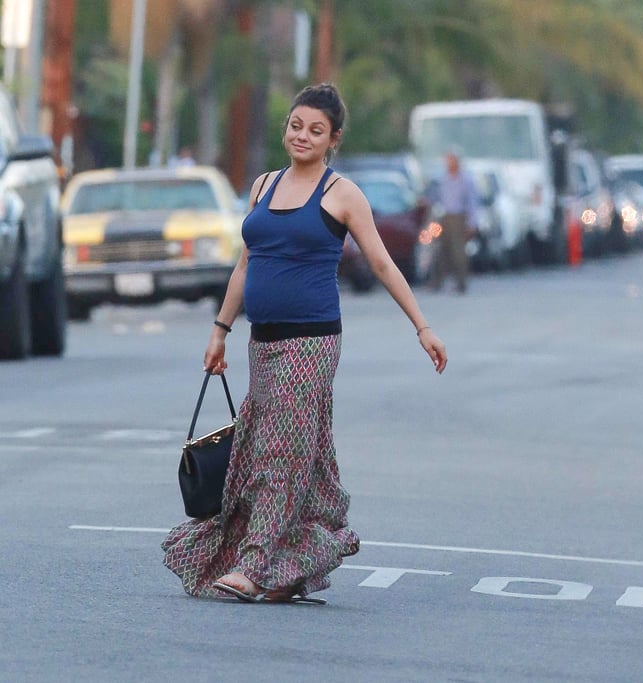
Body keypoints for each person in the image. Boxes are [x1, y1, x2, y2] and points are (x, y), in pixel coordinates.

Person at [162, 83, 448, 604]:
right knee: (280, 453)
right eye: (296, 125)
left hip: (311, 343)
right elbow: (245, 265)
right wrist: (220, 330)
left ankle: (253, 567)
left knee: (281, 453)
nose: (302, 136)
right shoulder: (264, 186)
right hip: (261, 341)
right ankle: (288, 568)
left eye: (315, 130)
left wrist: (422, 326)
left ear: (332, 139)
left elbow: (382, 262)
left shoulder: (341, 194)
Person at [428, 149, 479, 293]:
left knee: (458, 252)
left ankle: (461, 282)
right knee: (440, 250)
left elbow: (472, 202)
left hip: (459, 217)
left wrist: (471, 223)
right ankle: (436, 282)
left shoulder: (466, 180)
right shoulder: (444, 179)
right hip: (444, 217)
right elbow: (437, 197)